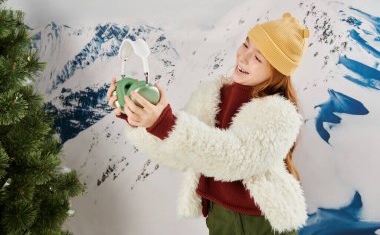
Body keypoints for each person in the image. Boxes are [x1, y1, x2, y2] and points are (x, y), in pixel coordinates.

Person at [107, 12, 310, 235]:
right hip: (219, 217)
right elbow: (180, 150)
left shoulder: (281, 113)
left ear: (277, 73)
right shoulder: (213, 94)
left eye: (258, 58)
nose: (243, 57)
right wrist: (140, 118)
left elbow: (235, 157)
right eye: (245, 45)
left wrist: (164, 123)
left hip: (260, 223)